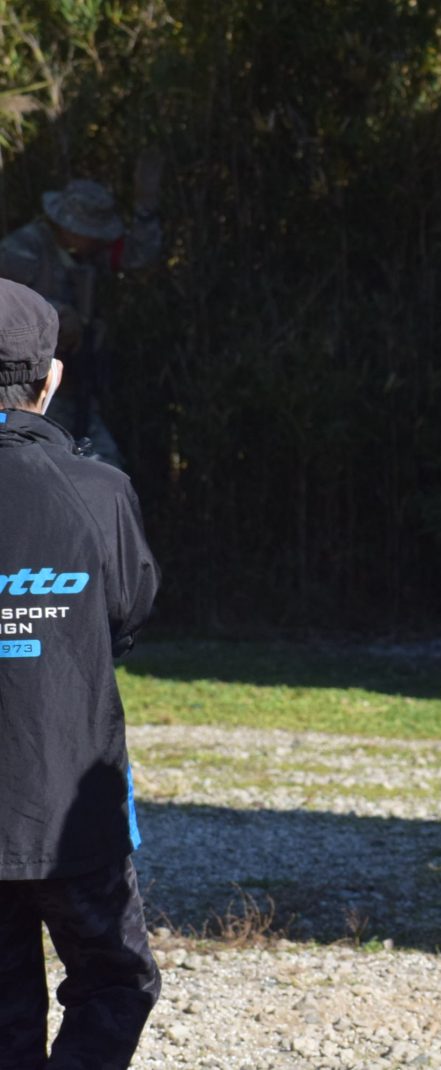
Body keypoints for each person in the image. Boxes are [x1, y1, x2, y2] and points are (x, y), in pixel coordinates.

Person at [0, 277, 161, 1069]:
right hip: (71, 810)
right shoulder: (100, 491)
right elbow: (127, 613)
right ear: (51, 377)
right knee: (115, 980)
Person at [0, 158, 164, 466]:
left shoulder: (89, 253)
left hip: (75, 386)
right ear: (68, 226)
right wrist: (54, 314)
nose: (99, 239)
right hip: (23, 390)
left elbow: (140, 258)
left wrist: (146, 206)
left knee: (103, 467)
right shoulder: (22, 250)